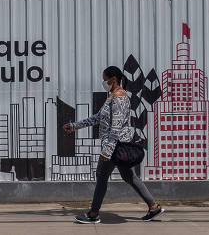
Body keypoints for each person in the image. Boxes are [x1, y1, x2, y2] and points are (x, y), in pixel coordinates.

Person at [63, 66, 165, 224]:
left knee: (102, 176)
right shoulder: (113, 96)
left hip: (115, 146)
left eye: (105, 79)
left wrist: (107, 151)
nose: (103, 82)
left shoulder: (118, 98)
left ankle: (93, 214)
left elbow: (116, 128)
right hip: (119, 145)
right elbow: (98, 118)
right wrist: (75, 126)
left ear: (113, 79)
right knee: (129, 176)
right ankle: (153, 207)